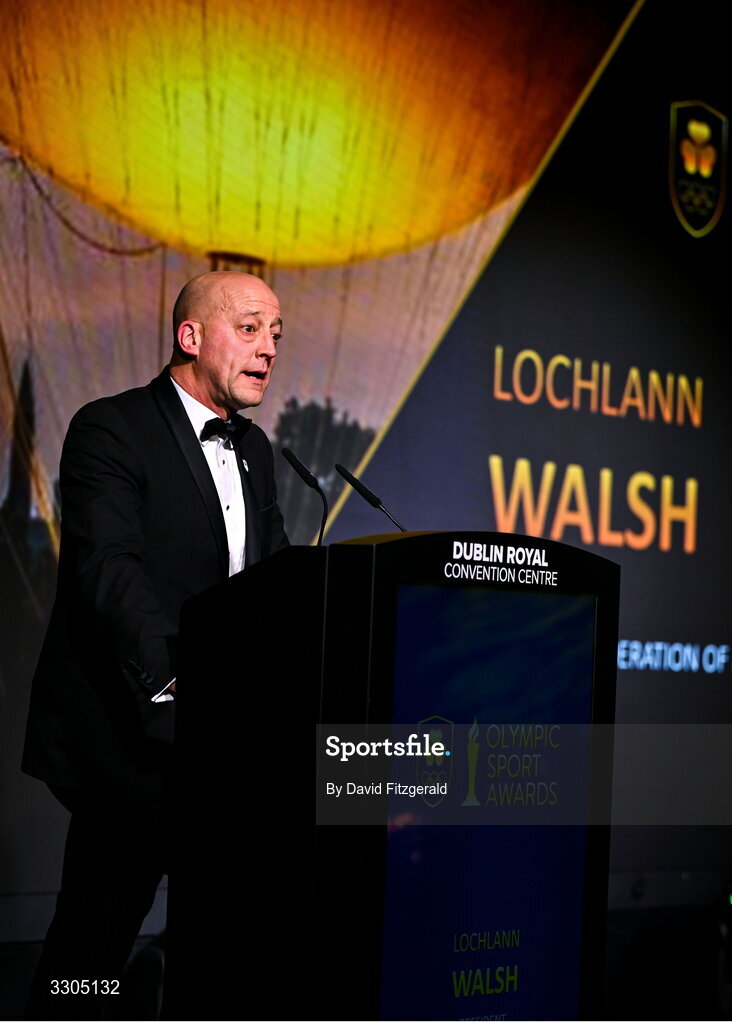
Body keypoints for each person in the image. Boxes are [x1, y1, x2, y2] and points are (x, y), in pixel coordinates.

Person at [22, 270, 289, 1018]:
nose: (269, 348)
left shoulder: (258, 450)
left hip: (225, 752)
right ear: (190, 336)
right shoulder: (110, 428)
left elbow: (270, 583)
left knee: (230, 948)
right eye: (249, 328)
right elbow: (108, 573)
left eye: (276, 334)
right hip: (129, 743)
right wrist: (182, 681)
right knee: (88, 956)